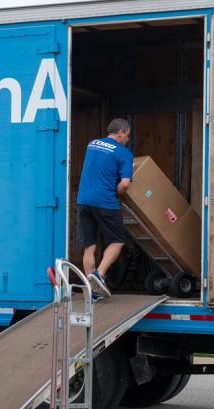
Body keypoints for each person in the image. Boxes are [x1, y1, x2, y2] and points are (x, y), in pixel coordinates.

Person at [77, 118, 134, 301]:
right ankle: (99, 274)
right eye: (127, 135)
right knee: (117, 241)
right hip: (105, 202)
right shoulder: (124, 153)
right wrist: (117, 192)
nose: (127, 139)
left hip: (84, 200)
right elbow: (124, 184)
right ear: (120, 132)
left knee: (90, 246)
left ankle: (91, 292)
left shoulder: (92, 145)